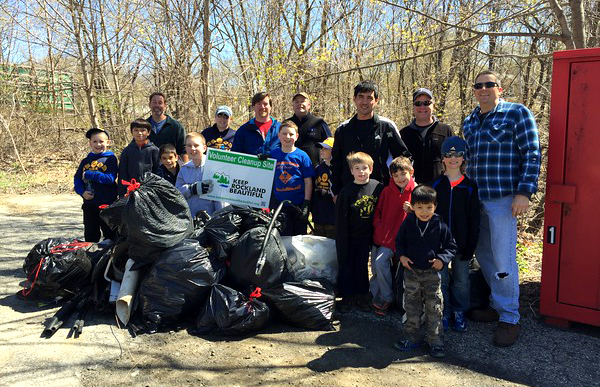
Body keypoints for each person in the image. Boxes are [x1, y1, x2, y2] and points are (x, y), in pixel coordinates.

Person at [463, 70, 541, 347]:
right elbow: (467, 161)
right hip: (476, 199)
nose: (484, 89)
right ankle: (497, 305)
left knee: (503, 258)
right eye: (479, 85)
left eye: (489, 85)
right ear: (474, 90)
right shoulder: (469, 121)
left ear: (500, 88)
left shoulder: (516, 113)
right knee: (484, 255)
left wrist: (524, 192)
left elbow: (532, 152)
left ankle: (510, 317)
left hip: (503, 199)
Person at [394, 185, 456, 358]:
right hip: (411, 272)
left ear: (435, 206)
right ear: (412, 206)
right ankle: (412, 338)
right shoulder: (408, 222)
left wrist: (442, 260)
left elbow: (451, 246)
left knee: (434, 307)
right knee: (411, 306)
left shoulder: (439, 224)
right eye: (419, 207)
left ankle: (435, 341)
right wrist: (402, 257)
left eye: (429, 207)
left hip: (432, 274)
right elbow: (399, 242)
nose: (424, 211)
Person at [431, 136, 480, 332]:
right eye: (449, 155)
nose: (453, 159)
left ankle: (460, 312)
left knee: (461, 281)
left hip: (462, 244)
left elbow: (474, 219)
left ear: (463, 158)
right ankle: (445, 312)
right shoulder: (436, 186)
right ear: (442, 158)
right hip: (440, 246)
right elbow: (429, 216)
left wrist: (471, 245)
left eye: (458, 155)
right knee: (441, 280)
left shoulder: (469, 186)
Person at [331, 80, 410, 197]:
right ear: (354, 99)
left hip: (381, 192)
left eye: (369, 98)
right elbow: (335, 163)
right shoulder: (343, 129)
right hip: (349, 193)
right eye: (361, 97)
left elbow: (403, 158)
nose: (364, 102)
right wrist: (336, 192)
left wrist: (401, 187)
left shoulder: (386, 126)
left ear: (376, 101)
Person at [335, 152, 383, 313]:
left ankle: (363, 296)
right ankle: (348, 297)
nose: (361, 172)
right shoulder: (346, 192)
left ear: (371, 169)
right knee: (348, 265)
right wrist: (342, 241)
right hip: (350, 235)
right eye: (357, 168)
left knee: (363, 266)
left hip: (370, 235)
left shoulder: (378, 187)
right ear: (351, 171)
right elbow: (341, 219)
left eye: (364, 168)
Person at [370, 156, 415, 316]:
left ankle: (407, 302)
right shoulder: (386, 191)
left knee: (406, 269)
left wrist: (413, 212)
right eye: (395, 175)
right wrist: (381, 230)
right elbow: (378, 214)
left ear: (411, 172)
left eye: (403, 174)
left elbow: (427, 216)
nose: (400, 178)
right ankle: (387, 297)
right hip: (387, 239)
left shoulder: (417, 191)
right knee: (380, 262)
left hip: (408, 243)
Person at [400, 88, 454, 184]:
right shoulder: (404, 134)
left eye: (426, 103)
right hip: (413, 189)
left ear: (433, 105)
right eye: (418, 104)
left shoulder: (445, 130)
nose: (422, 107)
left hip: (441, 188)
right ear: (413, 107)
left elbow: (456, 159)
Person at [269, 120, 314, 236]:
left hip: (298, 205)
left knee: (299, 238)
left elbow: (308, 181)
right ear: (278, 135)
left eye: (291, 134)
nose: (287, 137)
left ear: (297, 136)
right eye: (284, 134)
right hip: (279, 205)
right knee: (282, 237)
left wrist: (306, 203)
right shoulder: (272, 155)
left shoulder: (302, 156)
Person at [73, 128, 118, 242]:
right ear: (90, 143)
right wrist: (82, 192)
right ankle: (92, 258)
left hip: (107, 204)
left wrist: (91, 174)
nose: (98, 144)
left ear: (108, 142)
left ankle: (110, 258)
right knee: (90, 236)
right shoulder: (85, 161)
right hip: (89, 204)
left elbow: (110, 178)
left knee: (110, 235)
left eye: (101, 141)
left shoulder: (110, 159)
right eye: (95, 141)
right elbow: (77, 179)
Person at [176, 132, 225, 217]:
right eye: (189, 145)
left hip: (211, 219)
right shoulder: (184, 170)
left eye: (196, 145)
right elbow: (176, 194)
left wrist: (219, 219)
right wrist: (191, 189)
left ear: (204, 148)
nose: (192, 148)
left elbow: (221, 197)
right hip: (190, 219)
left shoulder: (215, 167)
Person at [287, 92, 331, 167]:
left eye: (302, 101)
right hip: (292, 170)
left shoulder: (319, 122)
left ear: (309, 105)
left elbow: (330, 145)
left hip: (316, 171)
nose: (299, 104)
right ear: (293, 106)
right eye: (296, 102)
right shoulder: (287, 124)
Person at [118, 119, 159, 196]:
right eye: (136, 130)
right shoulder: (127, 151)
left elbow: (158, 171)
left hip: (150, 190)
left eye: (143, 130)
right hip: (131, 190)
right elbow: (122, 173)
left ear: (148, 132)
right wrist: (122, 193)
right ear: (132, 132)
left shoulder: (154, 150)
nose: (139, 133)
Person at [147, 92, 188, 162]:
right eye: (154, 102)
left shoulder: (176, 127)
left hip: (170, 169)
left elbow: (183, 151)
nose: (157, 105)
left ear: (165, 106)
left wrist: (185, 170)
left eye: (160, 103)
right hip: (148, 170)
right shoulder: (143, 127)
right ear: (149, 105)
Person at [310, 137, 336, 239]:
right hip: (319, 214)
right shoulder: (318, 168)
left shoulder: (338, 169)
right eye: (321, 148)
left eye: (326, 149)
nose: (322, 151)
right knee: (319, 244)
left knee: (332, 244)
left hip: (333, 216)